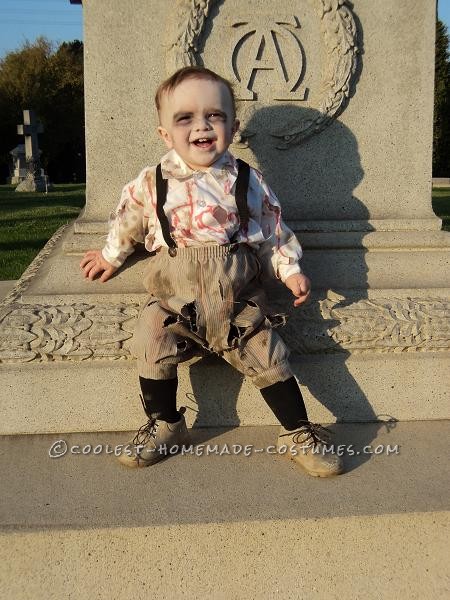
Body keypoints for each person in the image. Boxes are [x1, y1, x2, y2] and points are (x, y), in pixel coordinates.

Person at [80, 66, 344, 477]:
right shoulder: (152, 183)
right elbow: (128, 221)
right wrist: (111, 256)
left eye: (214, 116)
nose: (202, 126)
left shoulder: (245, 180)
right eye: (185, 118)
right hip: (176, 299)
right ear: (165, 134)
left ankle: (297, 431)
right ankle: (166, 422)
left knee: (268, 353)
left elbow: (272, 228)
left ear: (233, 126)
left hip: (235, 297)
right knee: (150, 337)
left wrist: (290, 270)